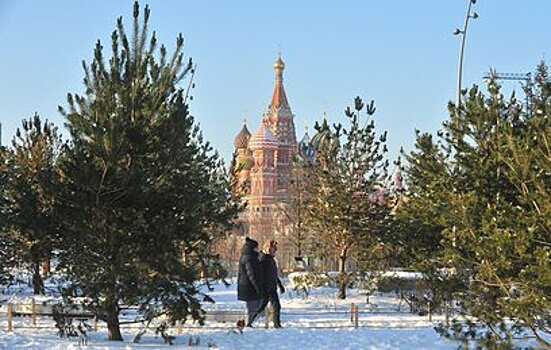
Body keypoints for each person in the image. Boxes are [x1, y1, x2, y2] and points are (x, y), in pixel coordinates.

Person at [249, 240, 285, 328]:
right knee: (276, 306)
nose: (275, 250)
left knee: (261, 307)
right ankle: (277, 324)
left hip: (272, 287)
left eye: (275, 249)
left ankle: (250, 322)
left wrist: (280, 285)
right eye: (273, 248)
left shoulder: (271, 259)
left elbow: (274, 275)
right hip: (267, 288)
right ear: (268, 248)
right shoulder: (263, 259)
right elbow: (260, 275)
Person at [237, 237, 265, 327]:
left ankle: (248, 322)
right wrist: (257, 287)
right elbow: (252, 274)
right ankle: (248, 323)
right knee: (253, 307)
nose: (258, 249)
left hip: (248, 286)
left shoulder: (249, 257)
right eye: (256, 248)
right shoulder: (250, 258)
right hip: (249, 287)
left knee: (254, 306)